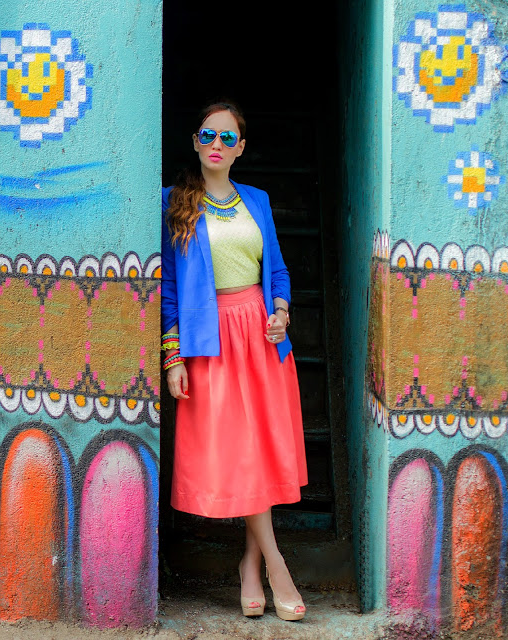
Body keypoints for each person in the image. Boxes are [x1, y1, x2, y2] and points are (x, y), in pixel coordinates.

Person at [161, 100, 308, 621]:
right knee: (241, 452)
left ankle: (250, 563)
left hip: (261, 339)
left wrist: (282, 311)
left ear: (241, 147)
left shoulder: (259, 202)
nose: (216, 145)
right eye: (207, 136)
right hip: (212, 340)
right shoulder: (175, 203)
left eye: (227, 138)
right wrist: (172, 357)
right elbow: (170, 290)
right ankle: (275, 563)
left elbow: (280, 272)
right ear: (195, 142)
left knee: (260, 452)